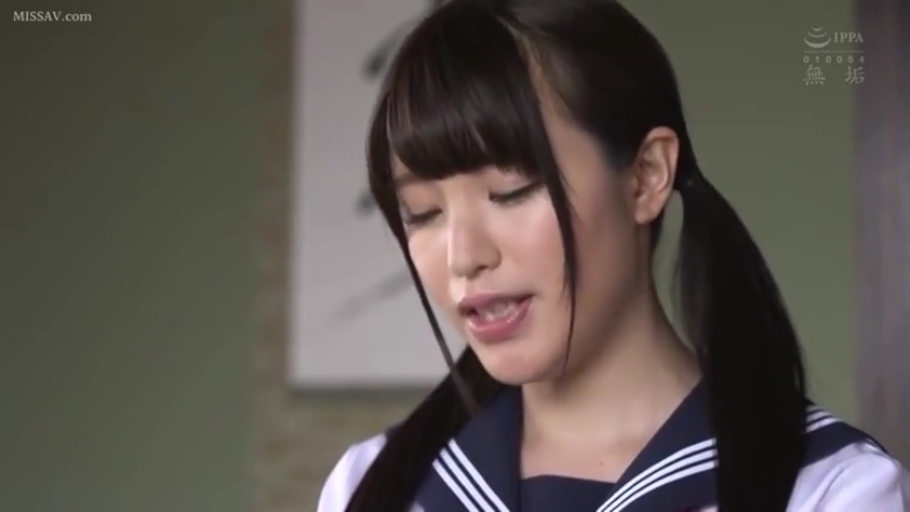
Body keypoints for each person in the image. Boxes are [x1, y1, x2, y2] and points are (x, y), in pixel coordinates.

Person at [317, 0, 910, 510]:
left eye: (511, 191)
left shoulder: (827, 489)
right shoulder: (373, 486)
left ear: (647, 176)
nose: (463, 257)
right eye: (423, 213)